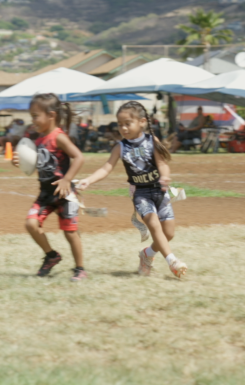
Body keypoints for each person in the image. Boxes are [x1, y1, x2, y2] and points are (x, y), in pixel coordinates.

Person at [77, 101, 187, 279]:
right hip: (141, 194)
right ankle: (172, 261)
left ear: (142, 122)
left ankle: (147, 254)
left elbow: (162, 164)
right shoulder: (120, 147)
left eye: (128, 123)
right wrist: (88, 180)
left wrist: (165, 176)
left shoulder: (152, 141)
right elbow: (106, 168)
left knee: (168, 233)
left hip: (160, 191)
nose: (123, 128)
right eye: (120, 124)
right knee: (153, 223)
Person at [11, 93, 86, 281]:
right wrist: (20, 161)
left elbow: (79, 157)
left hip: (64, 194)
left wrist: (67, 180)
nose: (33, 120)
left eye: (36, 115)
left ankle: (80, 269)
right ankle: (52, 256)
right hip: (45, 194)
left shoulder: (58, 137)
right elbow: (38, 163)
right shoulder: (37, 140)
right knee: (31, 224)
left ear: (51, 115)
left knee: (70, 233)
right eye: (32, 116)